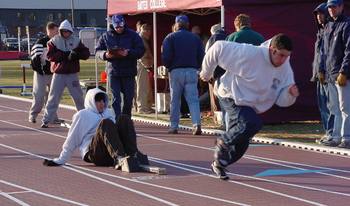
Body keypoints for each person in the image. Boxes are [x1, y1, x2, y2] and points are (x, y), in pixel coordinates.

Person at [200, 33, 299, 180]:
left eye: (287, 56)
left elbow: (281, 99)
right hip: (230, 94)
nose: (284, 60)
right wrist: (206, 73)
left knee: (243, 143)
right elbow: (217, 47)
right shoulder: (250, 54)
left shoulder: (285, 68)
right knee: (252, 123)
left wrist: (290, 95)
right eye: (281, 55)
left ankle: (219, 163)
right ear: (272, 50)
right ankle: (223, 140)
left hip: (248, 104)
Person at [42, 88, 145, 168]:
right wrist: (61, 159)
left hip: (109, 152)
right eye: (98, 101)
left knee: (124, 119)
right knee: (106, 123)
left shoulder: (108, 112)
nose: (102, 104)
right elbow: (72, 139)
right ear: (91, 101)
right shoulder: (83, 115)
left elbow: (115, 135)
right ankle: (120, 158)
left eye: (103, 101)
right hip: (94, 153)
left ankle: (133, 155)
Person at [41, 20, 90, 128]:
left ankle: (85, 119)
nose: (66, 33)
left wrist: (76, 55)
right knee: (53, 98)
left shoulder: (76, 41)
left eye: (68, 31)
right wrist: (65, 55)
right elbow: (50, 56)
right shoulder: (53, 41)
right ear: (60, 31)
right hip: (58, 74)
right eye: (64, 31)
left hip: (72, 74)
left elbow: (86, 53)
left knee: (78, 97)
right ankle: (46, 120)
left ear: (71, 31)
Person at [162, 15, 205, 135]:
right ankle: (196, 124)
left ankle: (174, 126)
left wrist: (168, 66)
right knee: (193, 100)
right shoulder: (195, 38)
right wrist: (197, 66)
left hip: (176, 71)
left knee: (175, 100)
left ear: (176, 24)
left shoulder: (170, 37)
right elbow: (201, 55)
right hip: (191, 70)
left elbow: (166, 57)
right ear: (187, 24)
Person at [96, 14, 145, 119]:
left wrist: (129, 53)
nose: (119, 29)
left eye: (121, 26)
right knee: (115, 98)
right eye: (117, 27)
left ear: (124, 24)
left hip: (129, 71)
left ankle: (126, 119)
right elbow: (97, 51)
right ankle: (117, 119)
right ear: (113, 25)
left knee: (128, 98)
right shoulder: (106, 36)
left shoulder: (133, 35)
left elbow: (141, 50)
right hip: (113, 71)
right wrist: (105, 54)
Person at [320, 0, 350, 148]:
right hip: (330, 73)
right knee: (334, 108)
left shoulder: (347, 24)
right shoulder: (328, 25)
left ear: (341, 7)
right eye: (329, 7)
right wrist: (321, 69)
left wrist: (344, 71)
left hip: (342, 74)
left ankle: (347, 138)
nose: (331, 9)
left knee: (346, 108)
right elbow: (324, 51)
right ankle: (336, 136)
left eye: (334, 6)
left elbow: (349, 51)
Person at [28, 22, 61, 124]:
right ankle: (33, 115)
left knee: (53, 97)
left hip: (53, 74)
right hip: (40, 74)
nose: (58, 33)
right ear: (50, 30)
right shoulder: (40, 43)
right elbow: (34, 59)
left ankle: (52, 117)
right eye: (56, 30)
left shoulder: (58, 42)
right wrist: (40, 71)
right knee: (39, 96)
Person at [311, 3, 333, 143]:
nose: (319, 17)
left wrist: (323, 71)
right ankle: (328, 132)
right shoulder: (321, 31)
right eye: (317, 14)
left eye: (321, 13)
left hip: (328, 75)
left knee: (331, 106)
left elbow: (328, 54)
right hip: (319, 75)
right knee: (323, 106)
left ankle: (332, 133)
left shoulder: (330, 30)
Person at [205, 23, 227, 127]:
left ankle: (218, 119)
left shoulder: (212, 39)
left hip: (216, 72)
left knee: (215, 97)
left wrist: (208, 74)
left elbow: (208, 57)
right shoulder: (228, 36)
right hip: (227, 71)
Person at [136, 23, 154, 114]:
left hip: (144, 66)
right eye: (147, 31)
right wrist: (147, 65)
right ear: (143, 31)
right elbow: (141, 55)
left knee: (145, 87)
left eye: (149, 31)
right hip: (142, 66)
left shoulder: (143, 39)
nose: (149, 33)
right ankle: (142, 108)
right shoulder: (141, 40)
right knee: (142, 87)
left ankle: (146, 106)